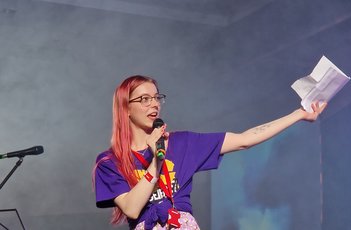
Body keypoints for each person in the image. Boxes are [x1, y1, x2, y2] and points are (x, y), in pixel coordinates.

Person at [93, 75, 326, 230]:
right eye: (144, 99)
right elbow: (132, 208)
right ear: (126, 108)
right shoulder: (109, 162)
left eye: (156, 98)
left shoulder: (182, 143)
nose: (154, 104)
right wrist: (155, 161)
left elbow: (244, 139)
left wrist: (299, 114)